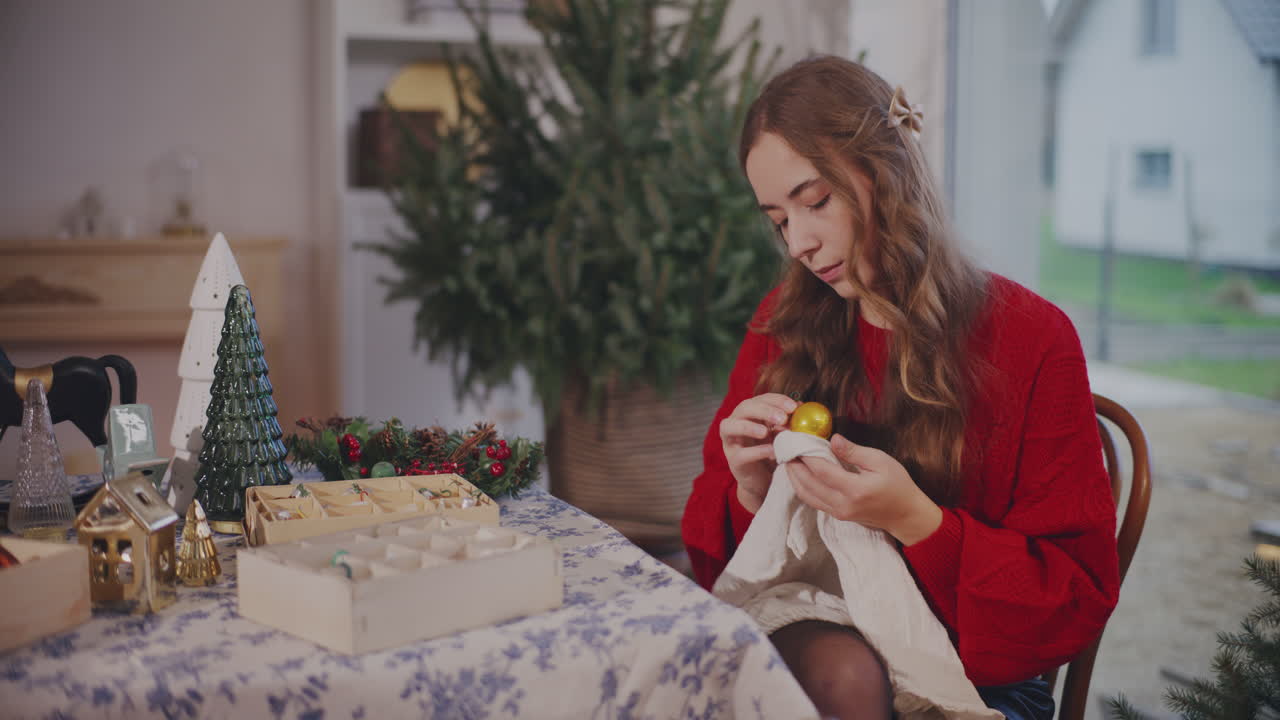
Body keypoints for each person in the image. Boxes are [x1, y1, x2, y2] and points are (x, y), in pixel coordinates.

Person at [681, 55, 1120, 720]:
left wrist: (915, 521)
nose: (798, 241)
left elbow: (1072, 598)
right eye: (778, 220)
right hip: (823, 637)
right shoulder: (783, 325)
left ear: (885, 171)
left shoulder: (1032, 341)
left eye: (816, 202)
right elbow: (734, 581)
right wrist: (750, 490)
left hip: (981, 677)